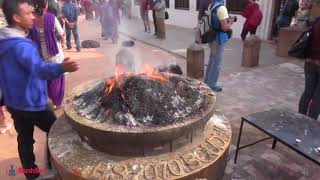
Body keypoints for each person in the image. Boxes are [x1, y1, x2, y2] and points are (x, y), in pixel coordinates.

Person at [0, 0, 79, 179]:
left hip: (14, 102)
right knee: (58, 132)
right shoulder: (21, 46)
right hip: (32, 102)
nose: (33, 16)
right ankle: (55, 169)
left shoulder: (3, 40)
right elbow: (39, 70)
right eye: (28, 13)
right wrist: (62, 68)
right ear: (16, 17)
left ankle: (32, 174)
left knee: (25, 138)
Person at [29, 0, 66, 108]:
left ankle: (48, 98)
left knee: (47, 78)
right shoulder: (51, 18)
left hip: (40, 54)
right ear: (45, 5)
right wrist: (60, 38)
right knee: (57, 79)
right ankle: (56, 102)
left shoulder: (32, 20)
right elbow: (61, 33)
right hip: (54, 54)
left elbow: (30, 37)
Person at [204, 0, 234, 92]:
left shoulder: (212, 5)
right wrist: (231, 21)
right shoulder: (222, 8)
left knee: (212, 59)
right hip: (219, 38)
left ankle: (207, 81)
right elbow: (225, 27)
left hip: (212, 37)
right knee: (217, 62)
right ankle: (212, 84)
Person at [298, 17, 320, 120]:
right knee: (318, 97)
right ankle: (310, 124)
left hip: (310, 61)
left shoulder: (317, 21)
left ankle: (300, 118)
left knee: (308, 92)